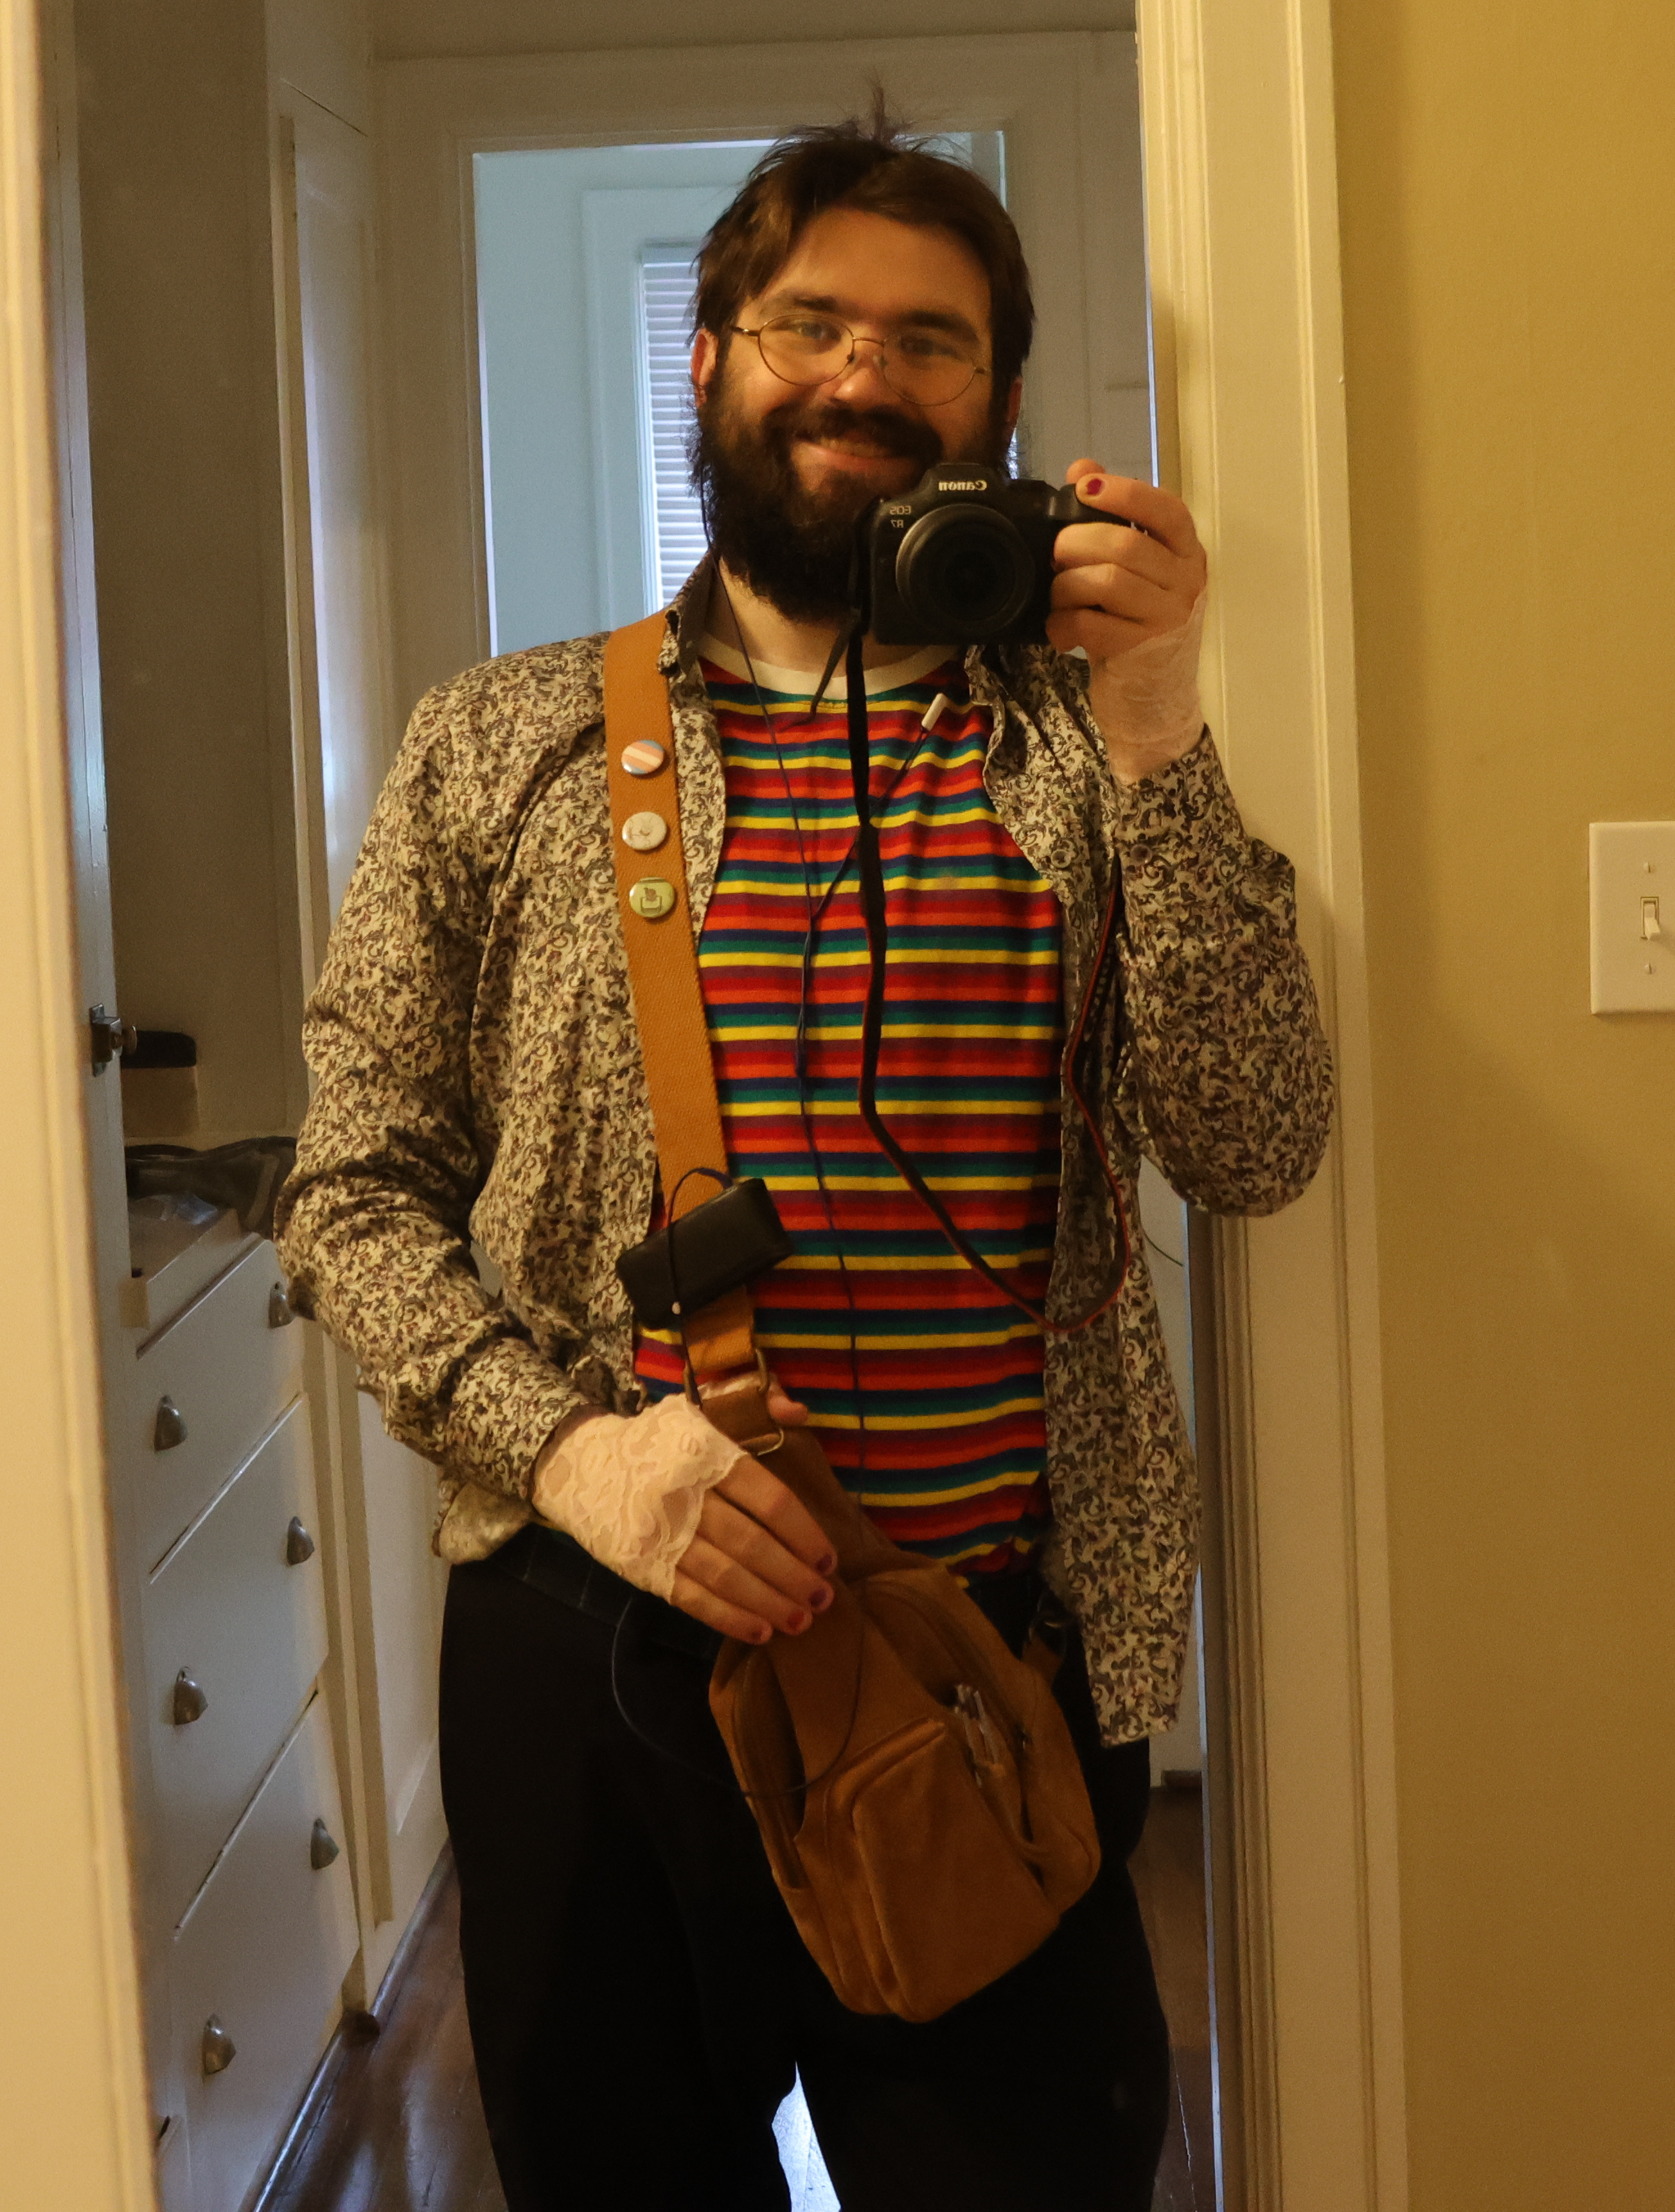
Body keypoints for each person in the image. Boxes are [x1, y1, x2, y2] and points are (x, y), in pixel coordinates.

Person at [276, 109, 1332, 2212]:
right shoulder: (496, 743)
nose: (866, 375)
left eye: (933, 341)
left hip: (993, 1667)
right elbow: (349, 1187)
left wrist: (1160, 719)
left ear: (998, 402)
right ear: (710, 358)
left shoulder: (1085, 738)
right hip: (593, 1656)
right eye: (811, 323)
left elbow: (1255, 1138)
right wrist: (574, 1454)